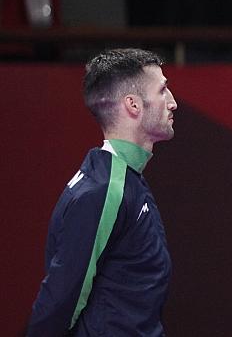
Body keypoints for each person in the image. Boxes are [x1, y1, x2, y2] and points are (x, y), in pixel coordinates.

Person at [27, 48, 177, 335]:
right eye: (162, 90)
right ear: (133, 105)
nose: (172, 103)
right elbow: (61, 298)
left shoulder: (123, 179)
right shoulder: (107, 189)